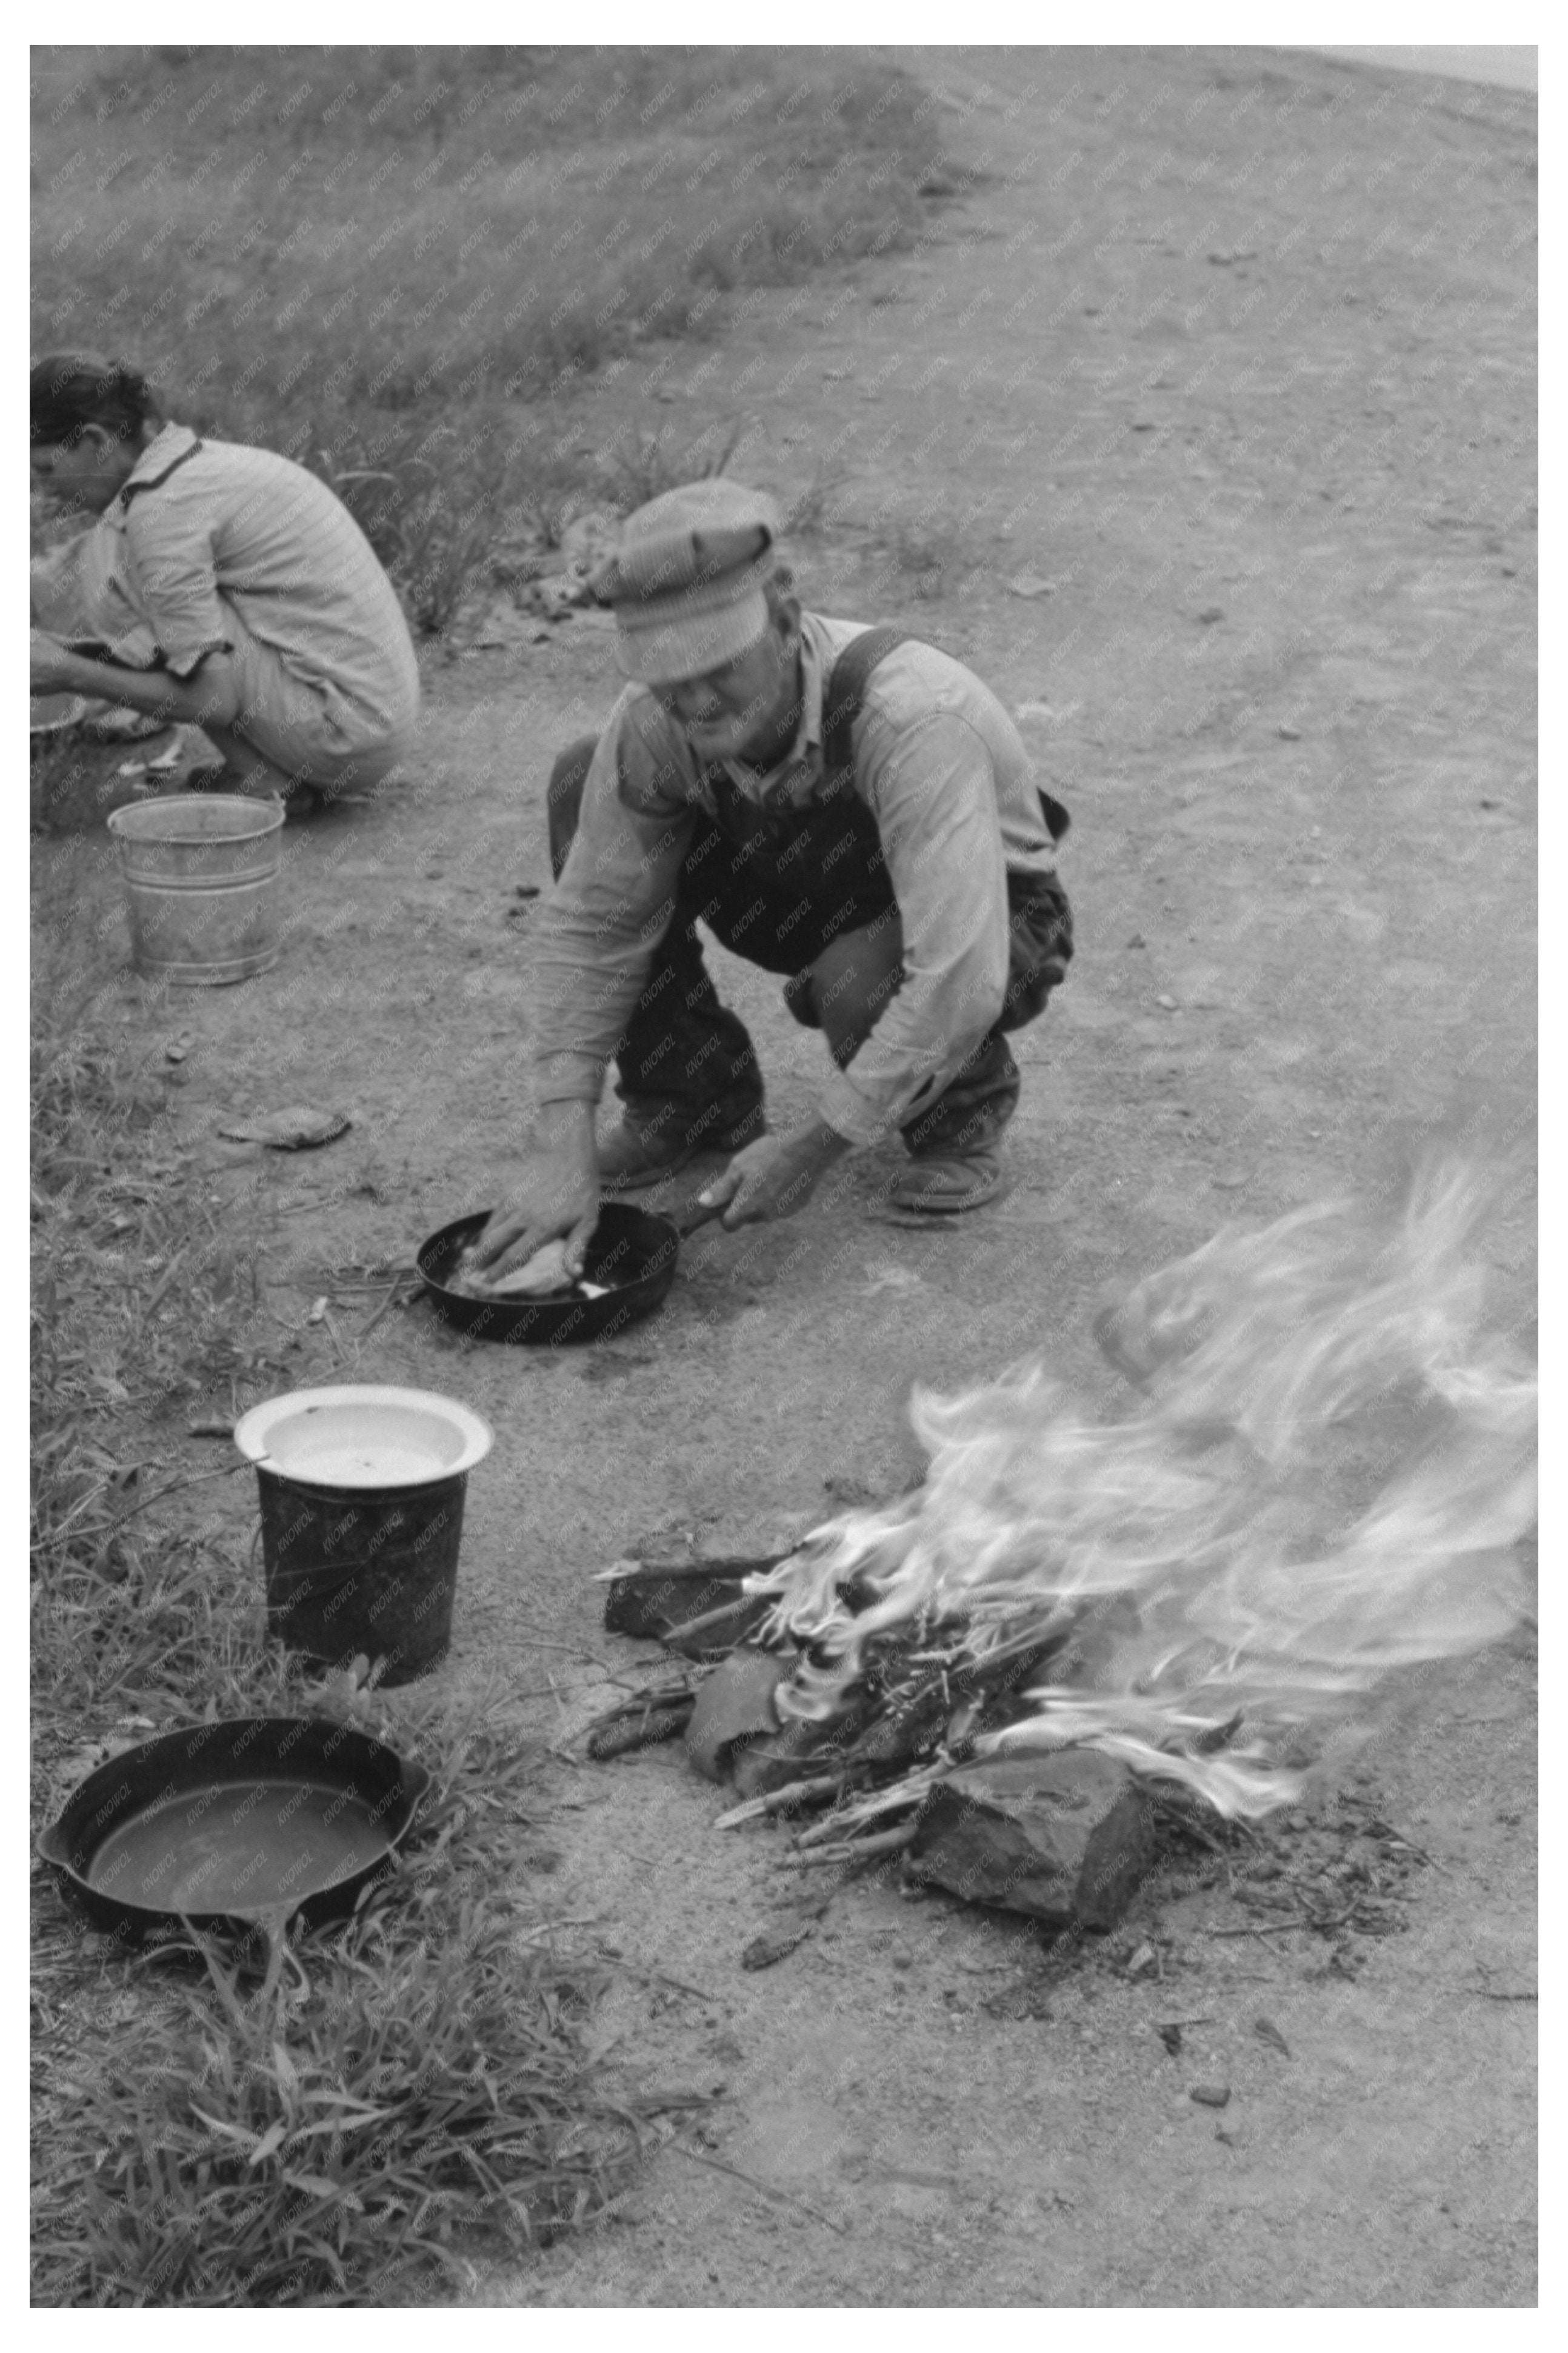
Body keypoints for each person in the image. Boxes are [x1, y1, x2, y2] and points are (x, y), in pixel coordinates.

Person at [472, 478, 1073, 1280]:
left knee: (865, 979)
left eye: (715, 665)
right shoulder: (656, 722)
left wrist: (817, 1142)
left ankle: (958, 1116)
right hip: (805, 887)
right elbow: (597, 927)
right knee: (581, 777)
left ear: (784, 620)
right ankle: (693, 1100)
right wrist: (562, 1145)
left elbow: (957, 972)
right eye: (664, 674)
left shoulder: (912, 716)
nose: (691, 698)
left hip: (991, 920)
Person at [28, 353, 419, 812]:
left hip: (345, 735)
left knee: (111, 565)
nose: (43, 490)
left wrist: (70, 672)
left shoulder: (158, 514)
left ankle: (267, 781)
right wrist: (62, 653)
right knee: (137, 577)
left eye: (46, 470)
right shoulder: (193, 466)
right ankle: (270, 770)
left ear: (95, 440)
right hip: (372, 715)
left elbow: (211, 703)